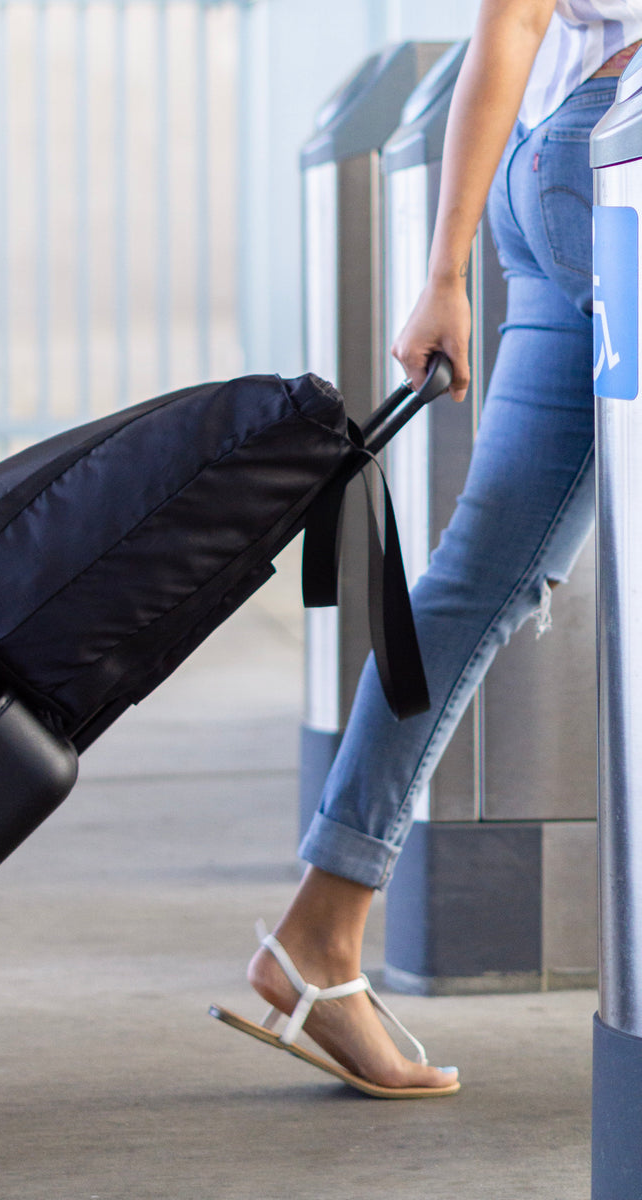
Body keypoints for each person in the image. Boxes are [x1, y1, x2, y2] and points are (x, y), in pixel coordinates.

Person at [219, 0, 642, 1097]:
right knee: (475, 583)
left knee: (472, 583)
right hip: (615, 155)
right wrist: (439, 274)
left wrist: (449, 263)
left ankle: (322, 927)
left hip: (555, 164)